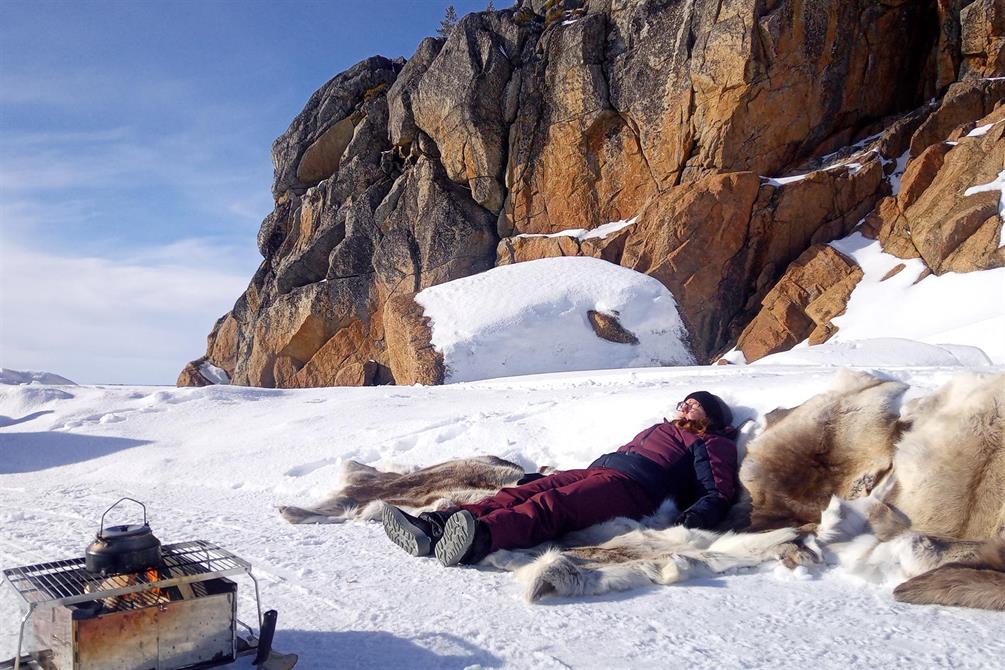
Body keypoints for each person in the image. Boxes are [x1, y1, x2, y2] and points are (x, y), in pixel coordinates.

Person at [382, 391, 739, 567]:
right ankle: (435, 527)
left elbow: (718, 489)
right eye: (684, 402)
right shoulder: (664, 428)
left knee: (553, 506)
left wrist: (697, 517)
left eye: (694, 405)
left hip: (632, 488)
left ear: (711, 416)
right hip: (599, 471)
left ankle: (480, 538)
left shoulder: (711, 440)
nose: (684, 407)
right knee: (518, 492)